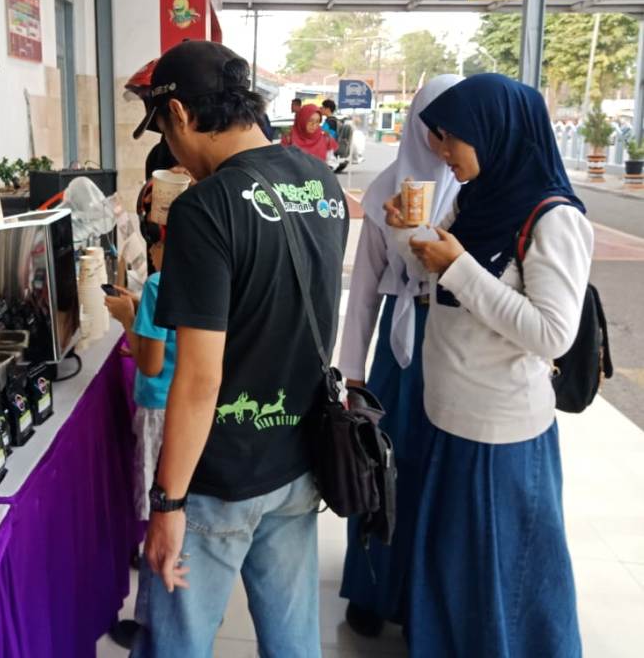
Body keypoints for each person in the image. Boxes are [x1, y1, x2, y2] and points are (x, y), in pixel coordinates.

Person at [129, 40, 349, 657]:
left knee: (176, 642)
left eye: (164, 133)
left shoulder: (207, 207)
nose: (172, 153)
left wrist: (168, 502)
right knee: (293, 638)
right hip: (298, 459)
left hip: (219, 477)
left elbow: (199, 379)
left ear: (177, 116)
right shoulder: (322, 182)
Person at [387, 73, 590, 657]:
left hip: (501, 433)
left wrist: (456, 266)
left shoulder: (555, 219)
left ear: (494, 132)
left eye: (450, 139)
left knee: (506, 575)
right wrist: (411, 236)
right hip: (449, 415)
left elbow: (552, 334)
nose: (441, 153)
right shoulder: (476, 200)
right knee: (455, 566)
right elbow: (444, 286)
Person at [337, 74, 463, 638]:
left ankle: (421, 602)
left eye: (453, 129)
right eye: (433, 126)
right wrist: (353, 375)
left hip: (455, 350)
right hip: (397, 348)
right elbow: (363, 289)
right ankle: (370, 588)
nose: (442, 141)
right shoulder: (387, 186)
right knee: (379, 465)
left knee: (436, 478)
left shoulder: (474, 191)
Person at [105, 179, 178, 523]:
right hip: (185, 406)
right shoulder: (204, 278)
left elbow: (150, 364)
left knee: (155, 488)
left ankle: (153, 547)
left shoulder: (156, 286)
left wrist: (127, 319)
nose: (148, 252)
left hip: (155, 407)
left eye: (151, 241)